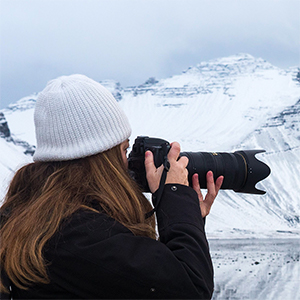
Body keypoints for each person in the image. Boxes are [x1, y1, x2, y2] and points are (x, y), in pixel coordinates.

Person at [0, 74, 223, 299]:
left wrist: (186, 219)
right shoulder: (79, 235)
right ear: (103, 158)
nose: (128, 163)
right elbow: (190, 289)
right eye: (124, 150)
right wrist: (177, 202)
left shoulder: (31, 219)